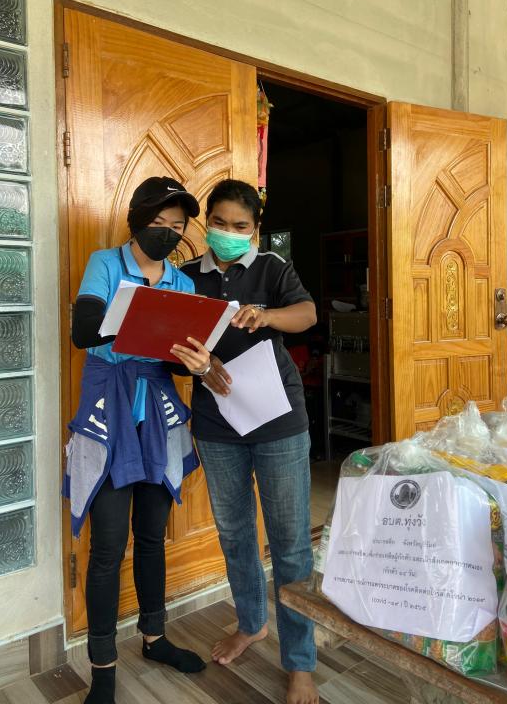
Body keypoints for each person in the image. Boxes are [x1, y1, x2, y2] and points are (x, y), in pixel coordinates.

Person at [65, 176, 213, 704]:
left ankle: (155, 638)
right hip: (109, 410)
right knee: (107, 546)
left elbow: (179, 361)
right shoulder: (106, 264)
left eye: (178, 225)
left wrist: (196, 360)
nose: (169, 233)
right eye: (159, 222)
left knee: (152, 536)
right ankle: (103, 667)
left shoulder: (182, 282)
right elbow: (84, 331)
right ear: (137, 221)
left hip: (157, 412)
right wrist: (143, 322)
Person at [172, 179, 319, 704]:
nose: (228, 233)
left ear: (255, 230)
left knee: (290, 543)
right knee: (235, 534)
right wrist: (198, 364)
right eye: (220, 223)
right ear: (206, 223)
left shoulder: (272, 268)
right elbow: (170, 347)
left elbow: (307, 314)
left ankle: (300, 661)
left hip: (278, 421)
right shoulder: (186, 277)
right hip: (217, 423)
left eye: (241, 226)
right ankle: (252, 624)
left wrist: (267, 315)